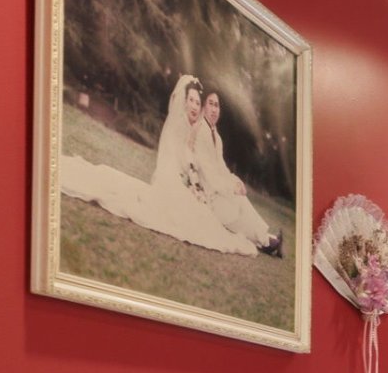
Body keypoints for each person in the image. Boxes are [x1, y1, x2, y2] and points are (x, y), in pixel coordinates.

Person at [58, 74, 258, 256]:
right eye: (191, 100)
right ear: (184, 102)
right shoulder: (176, 128)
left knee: (202, 215)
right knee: (194, 218)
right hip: (169, 181)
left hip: (182, 184)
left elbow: (193, 167)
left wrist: (194, 186)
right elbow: (171, 165)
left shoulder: (191, 133)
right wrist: (188, 186)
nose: (195, 106)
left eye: (198, 102)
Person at [198, 90, 283, 257]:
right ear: (203, 107)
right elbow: (209, 174)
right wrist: (231, 188)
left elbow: (221, 168)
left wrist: (235, 181)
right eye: (211, 104)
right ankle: (266, 241)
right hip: (208, 194)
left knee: (240, 200)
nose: (214, 109)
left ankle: (266, 239)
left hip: (219, 190)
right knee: (235, 205)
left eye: (217, 105)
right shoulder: (201, 132)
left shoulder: (216, 136)